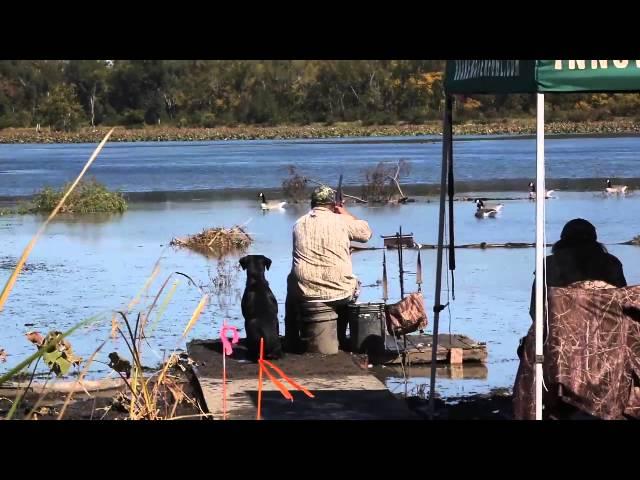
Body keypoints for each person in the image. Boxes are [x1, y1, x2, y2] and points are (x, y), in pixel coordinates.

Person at [284, 185, 372, 352]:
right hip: (340, 291)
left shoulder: (299, 223)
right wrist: (343, 211)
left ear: (313, 203)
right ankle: (340, 336)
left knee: (291, 281)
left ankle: (291, 339)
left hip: (304, 291)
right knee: (351, 284)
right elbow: (366, 233)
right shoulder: (341, 221)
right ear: (333, 204)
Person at [528, 218, 627, 322]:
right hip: (604, 330)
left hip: (560, 330)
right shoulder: (611, 262)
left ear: (563, 239)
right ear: (594, 239)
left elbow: (535, 310)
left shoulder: (548, 264)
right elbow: (624, 301)